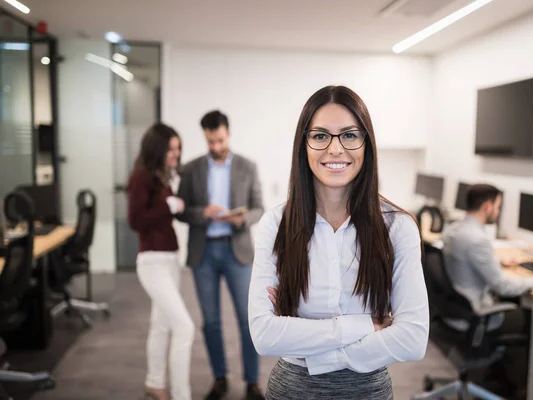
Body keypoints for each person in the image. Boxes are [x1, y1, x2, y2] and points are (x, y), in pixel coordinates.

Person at [248, 85, 429, 399]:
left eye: (349, 135)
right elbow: (264, 336)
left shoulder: (398, 228)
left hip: (367, 392)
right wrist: (365, 326)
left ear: (366, 144)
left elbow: (412, 338)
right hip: (292, 391)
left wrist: (310, 345)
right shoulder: (275, 225)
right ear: (303, 145)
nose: (335, 149)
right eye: (320, 136)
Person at [176, 110, 265, 400]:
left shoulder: (247, 167)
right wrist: (201, 213)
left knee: (246, 319)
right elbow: (182, 211)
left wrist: (240, 219)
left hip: (236, 250)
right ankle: (219, 379)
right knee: (211, 322)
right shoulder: (190, 170)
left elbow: (258, 208)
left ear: (228, 133)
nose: (215, 147)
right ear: (204, 137)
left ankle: (252, 381)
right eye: (210, 141)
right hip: (203, 254)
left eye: (220, 140)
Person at [442, 183, 533, 398]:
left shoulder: (454, 228)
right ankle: (517, 387)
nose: (498, 212)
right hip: (475, 312)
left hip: (455, 307)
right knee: (530, 319)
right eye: (498, 207)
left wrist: (496, 262)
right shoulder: (477, 238)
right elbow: (502, 286)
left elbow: (469, 261)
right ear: (487, 206)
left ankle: (494, 376)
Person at [128, 123, 195, 400]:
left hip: (169, 260)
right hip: (152, 262)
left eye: (178, 149)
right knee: (184, 327)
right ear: (158, 149)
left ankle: (154, 382)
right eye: (171, 149)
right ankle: (182, 395)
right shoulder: (141, 177)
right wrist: (168, 206)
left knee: (162, 324)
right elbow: (136, 220)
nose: (176, 154)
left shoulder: (161, 177)